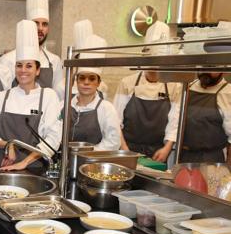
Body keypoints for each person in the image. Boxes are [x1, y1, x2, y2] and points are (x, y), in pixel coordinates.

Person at [0, 20, 61, 171]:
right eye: (19, 65)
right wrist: (7, 144)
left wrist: (24, 162)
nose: (23, 70)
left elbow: (53, 138)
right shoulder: (0, 97)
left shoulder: (49, 97)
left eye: (29, 66)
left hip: (33, 169)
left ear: (38, 70)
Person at [115, 22, 181, 161]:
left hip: (157, 152)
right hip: (127, 148)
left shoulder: (174, 86)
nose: (155, 64)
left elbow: (174, 122)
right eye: (152, 57)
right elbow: (116, 120)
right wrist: (125, 150)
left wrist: (167, 148)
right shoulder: (128, 83)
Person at [0, 0, 63, 89]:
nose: (40, 28)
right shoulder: (7, 60)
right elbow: (4, 98)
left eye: (44, 24)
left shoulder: (55, 61)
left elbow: (58, 97)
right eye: (36, 23)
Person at [68, 34, 121, 151]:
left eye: (92, 78)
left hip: (93, 164)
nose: (86, 82)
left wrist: (89, 152)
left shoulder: (106, 109)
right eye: (82, 78)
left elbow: (114, 141)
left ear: (98, 83)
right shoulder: (65, 105)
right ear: (76, 81)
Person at [180, 72, 231, 163]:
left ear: (221, 69)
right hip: (183, 155)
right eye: (203, 66)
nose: (206, 71)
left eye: (211, 67)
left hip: (211, 159)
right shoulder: (189, 86)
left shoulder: (227, 92)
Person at [53, 19, 109, 100]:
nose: (86, 82)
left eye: (92, 78)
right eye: (80, 58)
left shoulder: (102, 88)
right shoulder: (62, 87)